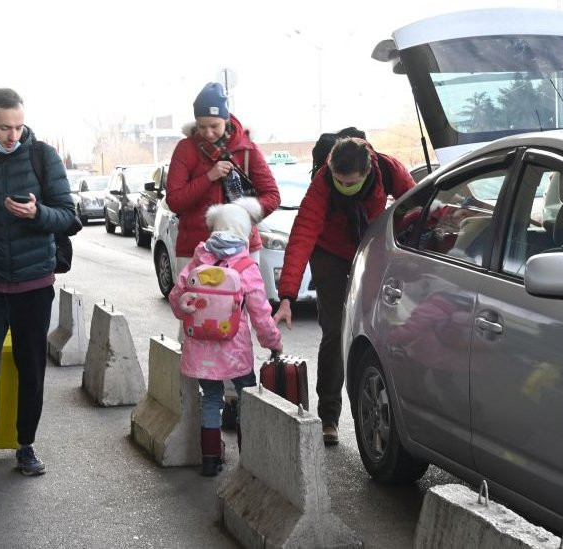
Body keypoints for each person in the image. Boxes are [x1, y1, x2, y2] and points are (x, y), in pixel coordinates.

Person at [0, 88, 76, 500]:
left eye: (18, 126)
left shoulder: (43, 156)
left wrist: (37, 214)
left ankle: (25, 446)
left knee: (31, 368)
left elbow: (69, 217)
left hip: (33, 286)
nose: (12, 135)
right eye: (4, 126)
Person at [272, 137, 415, 446]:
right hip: (329, 253)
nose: (342, 186)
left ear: (366, 172)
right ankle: (329, 417)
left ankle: (388, 415)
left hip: (371, 245)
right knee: (336, 329)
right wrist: (287, 296)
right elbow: (302, 236)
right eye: (338, 179)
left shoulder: (388, 170)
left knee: (378, 327)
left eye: (350, 182)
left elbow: (417, 204)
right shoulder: (323, 183)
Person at [168, 197, 283, 477]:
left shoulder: (198, 261)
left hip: (200, 351)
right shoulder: (245, 267)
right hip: (235, 351)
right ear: (244, 231)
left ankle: (209, 459)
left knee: (211, 398)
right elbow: (260, 314)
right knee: (246, 398)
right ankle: (248, 459)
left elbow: (176, 299)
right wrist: (274, 343)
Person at [165, 82, 280, 273]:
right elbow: (175, 201)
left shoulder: (247, 149)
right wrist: (209, 177)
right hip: (195, 248)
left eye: (214, 126)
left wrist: (242, 214)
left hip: (242, 247)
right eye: (202, 127)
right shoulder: (186, 149)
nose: (208, 133)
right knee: (194, 303)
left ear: (226, 119)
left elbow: (273, 196)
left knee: (247, 302)